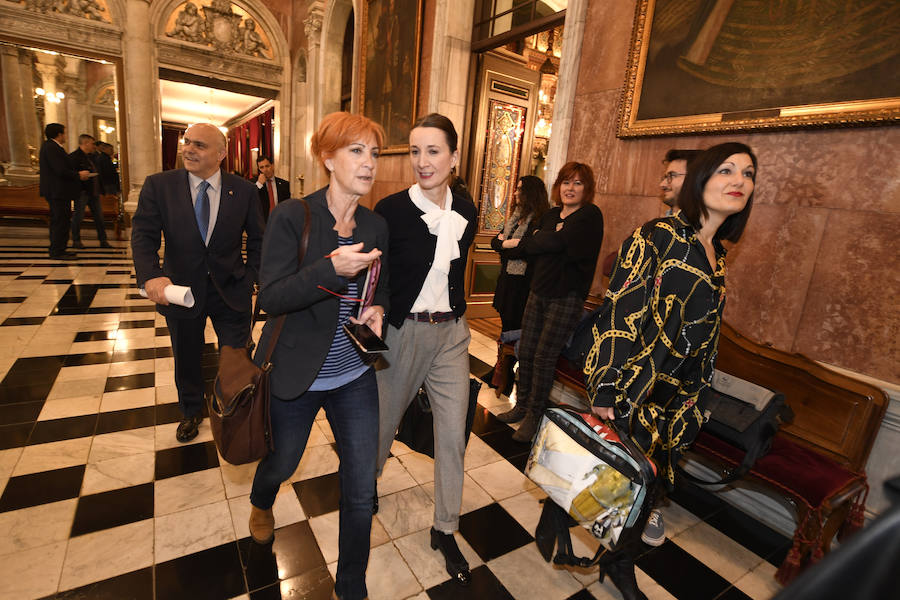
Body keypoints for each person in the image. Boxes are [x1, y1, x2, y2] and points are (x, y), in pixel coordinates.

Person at [584, 142, 757, 600]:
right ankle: (617, 565)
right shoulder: (658, 234)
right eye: (726, 170)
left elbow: (703, 335)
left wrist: (695, 400)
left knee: (643, 488)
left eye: (747, 173)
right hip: (633, 391)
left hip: (675, 402)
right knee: (624, 488)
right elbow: (620, 312)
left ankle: (613, 558)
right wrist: (606, 386)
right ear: (700, 180)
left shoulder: (715, 254)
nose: (739, 181)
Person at [248, 112, 387, 600]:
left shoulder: (375, 224)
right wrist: (331, 271)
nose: (368, 163)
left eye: (373, 152)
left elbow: (377, 288)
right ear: (327, 158)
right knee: (282, 462)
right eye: (356, 151)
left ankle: (351, 586)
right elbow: (272, 297)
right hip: (297, 373)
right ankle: (261, 500)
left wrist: (377, 310)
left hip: (353, 373)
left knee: (359, 486)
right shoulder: (293, 215)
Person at [374, 113, 477, 586]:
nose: (422, 161)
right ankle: (365, 486)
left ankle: (445, 527)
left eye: (433, 151)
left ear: (454, 157)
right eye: (415, 151)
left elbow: (453, 273)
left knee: (453, 433)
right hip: (405, 334)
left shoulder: (468, 210)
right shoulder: (392, 211)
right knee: (383, 422)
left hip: (452, 335)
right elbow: (381, 277)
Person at [131, 123, 264, 443]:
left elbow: (260, 238)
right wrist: (151, 275)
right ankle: (190, 411)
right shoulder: (159, 186)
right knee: (186, 355)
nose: (188, 149)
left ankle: (233, 408)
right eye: (186, 142)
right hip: (181, 291)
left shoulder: (243, 190)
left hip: (231, 290)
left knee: (235, 355)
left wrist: (251, 277)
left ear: (220, 154)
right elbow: (143, 235)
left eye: (199, 145)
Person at [497, 162, 604, 443]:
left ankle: (534, 416)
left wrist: (547, 239)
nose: (571, 188)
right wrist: (548, 238)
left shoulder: (590, 215)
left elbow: (553, 244)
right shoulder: (552, 214)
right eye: (566, 182)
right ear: (558, 186)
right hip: (538, 292)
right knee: (528, 352)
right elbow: (532, 247)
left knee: (544, 357)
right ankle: (521, 406)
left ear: (587, 189)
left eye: (578, 183)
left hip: (566, 297)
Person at [491, 175, 549, 333]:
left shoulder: (540, 220)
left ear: (531, 193)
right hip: (507, 280)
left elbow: (527, 249)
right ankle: (504, 357)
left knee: (519, 328)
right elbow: (494, 242)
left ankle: (512, 357)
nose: (515, 193)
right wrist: (507, 244)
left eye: (519, 189)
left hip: (524, 284)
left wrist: (506, 246)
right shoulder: (515, 217)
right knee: (506, 326)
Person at [38, 123, 90, 259]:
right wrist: (78, 175)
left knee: (63, 220)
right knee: (60, 220)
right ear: (59, 134)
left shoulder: (52, 147)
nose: (65, 136)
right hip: (57, 191)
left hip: (60, 191)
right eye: (64, 133)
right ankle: (57, 251)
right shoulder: (51, 147)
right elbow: (59, 170)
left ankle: (61, 248)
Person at [69, 134, 111, 249]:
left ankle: (103, 241)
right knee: (78, 216)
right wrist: (80, 176)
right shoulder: (74, 157)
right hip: (82, 191)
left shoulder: (92, 157)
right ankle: (76, 241)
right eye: (92, 143)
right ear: (86, 143)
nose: (94, 146)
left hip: (94, 191)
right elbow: (70, 175)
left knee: (99, 217)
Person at [659, 149, 701, 214]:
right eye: (666, 177)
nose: (662, 185)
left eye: (672, 175)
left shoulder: (711, 223)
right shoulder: (660, 223)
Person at [255, 154, 290, 222]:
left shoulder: (284, 184)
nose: (265, 169)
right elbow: (251, 199)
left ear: (272, 166)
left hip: (280, 221)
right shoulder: (253, 184)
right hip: (262, 223)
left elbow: (287, 205)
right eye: (261, 167)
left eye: (267, 166)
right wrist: (259, 184)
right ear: (259, 169)